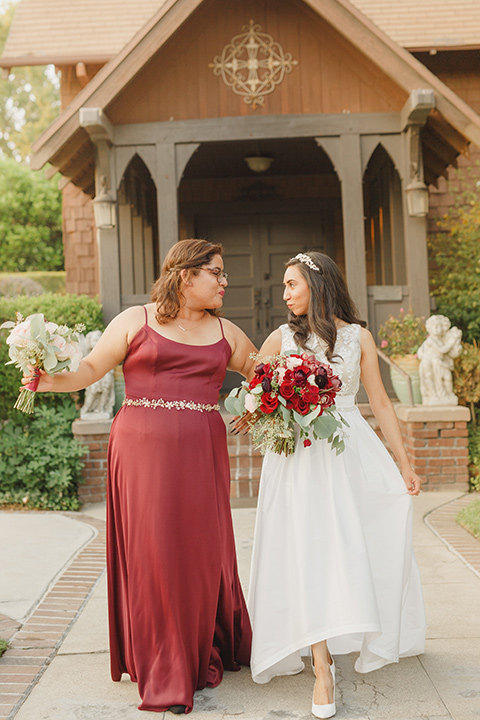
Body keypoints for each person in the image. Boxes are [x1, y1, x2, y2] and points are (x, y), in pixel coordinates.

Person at [24, 239, 256, 715]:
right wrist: (47, 379)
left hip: (201, 453)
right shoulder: (136, 320)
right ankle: (163, 661)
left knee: (197, 551)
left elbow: (263, 375)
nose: (224, 281)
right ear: (186, 275)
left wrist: (255, 408)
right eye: (216, 272)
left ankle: (197, 644)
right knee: (154, 550)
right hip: (140, 453)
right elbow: (89, 369)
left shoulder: (226, 331)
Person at [247, 252, 426, 719]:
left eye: (292, 284)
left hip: (349, 453)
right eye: (284, 286)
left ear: (317, 283)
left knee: (350, 547)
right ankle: (322, 665)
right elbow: (253, 394)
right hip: (298, 459)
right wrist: (273, 401)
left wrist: (403, 464)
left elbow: (381, 403)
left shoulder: (357, 336)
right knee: (303, 550)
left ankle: (355, 625)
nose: (285, 294)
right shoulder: (281, 337)